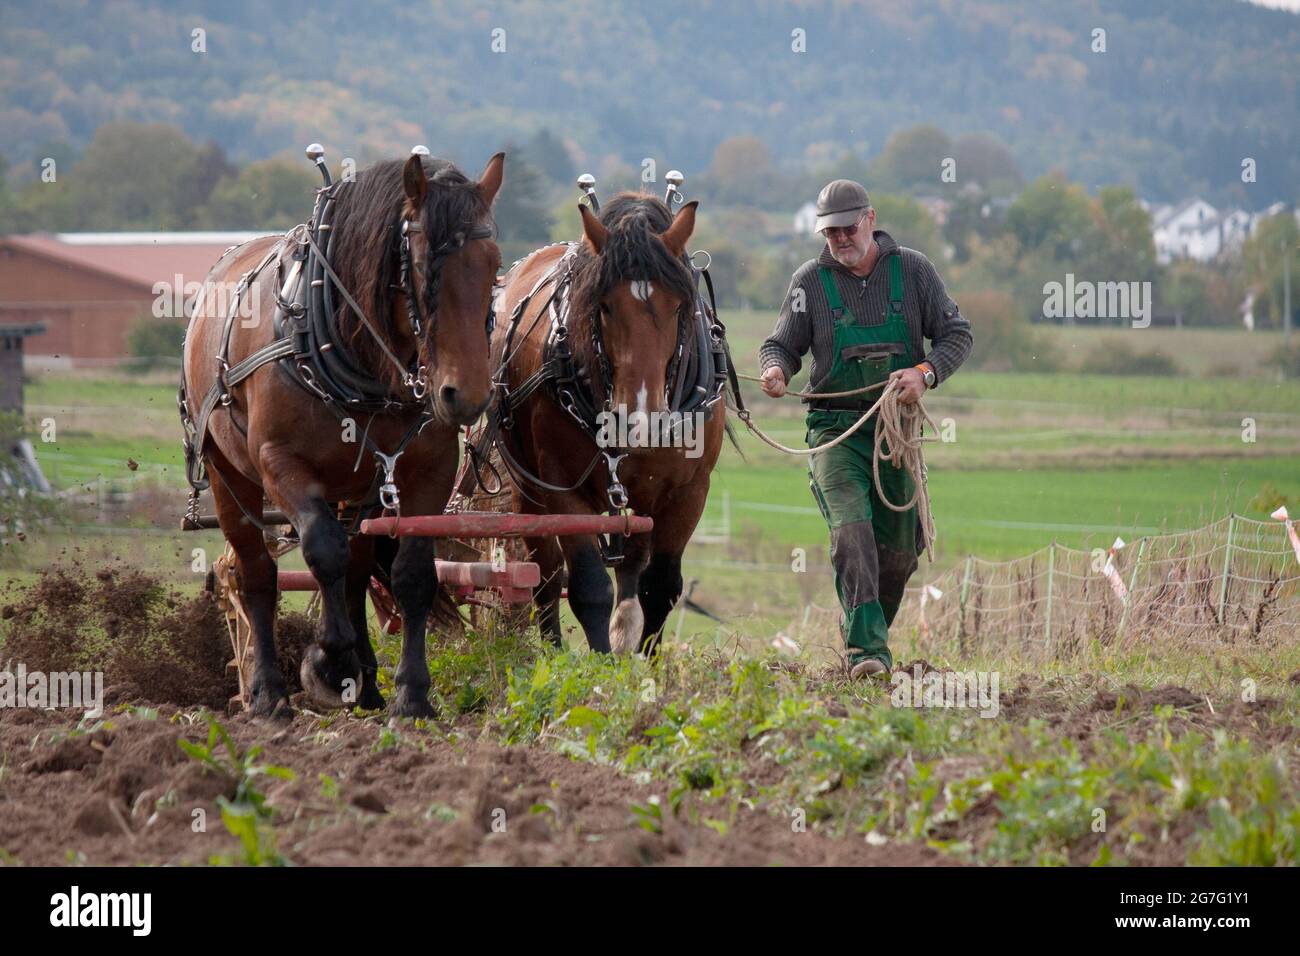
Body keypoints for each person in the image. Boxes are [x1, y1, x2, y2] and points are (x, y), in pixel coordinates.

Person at [759, 179, 972, 679]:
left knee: (898, 553)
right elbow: (781, 346)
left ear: (870, 219)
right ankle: (867, 654)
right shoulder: (808, 282)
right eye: (829, 232)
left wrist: (925, 374)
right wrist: (775, 370)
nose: (839, 239)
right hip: (834, 429)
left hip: (893, 433)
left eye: (847, 228)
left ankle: (864, 631)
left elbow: (956, 334)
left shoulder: (915, 271)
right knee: (851, 532)